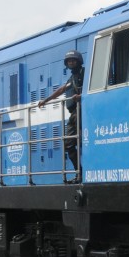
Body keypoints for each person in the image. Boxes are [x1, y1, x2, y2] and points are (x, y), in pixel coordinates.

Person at [38, 50, 84, 182]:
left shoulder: (84, 73)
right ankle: (79, 173)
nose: (71, 63)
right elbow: (62, 89)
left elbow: (91, 88)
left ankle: (81, 174)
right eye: (69, 61)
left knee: (80, 141)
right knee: (68, 143)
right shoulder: (72, 78)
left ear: (78, 61)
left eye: (73, 60)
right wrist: (45, 100)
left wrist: (80, 96)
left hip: (81, 111)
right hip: (74, 114)